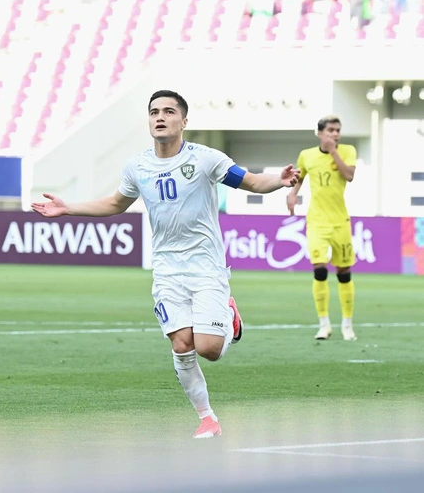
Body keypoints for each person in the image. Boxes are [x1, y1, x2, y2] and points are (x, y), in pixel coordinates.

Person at [32, 90, 300, 438]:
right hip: (167, 271)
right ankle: (207, 418)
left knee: (209, 350)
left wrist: (278, 181)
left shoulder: (206, 159)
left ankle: (229, 316)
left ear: (183, 121)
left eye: (169, 111)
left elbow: (250, 181)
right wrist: (68, 208)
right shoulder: (137, 166)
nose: (160, 116)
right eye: (154, 111)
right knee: (182, 346)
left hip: (206, 267)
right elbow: (116, 203)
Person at [286, 115, 357, 341]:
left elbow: (349, 175)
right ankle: (324, 324)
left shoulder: (347, 150)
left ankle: (347, 324)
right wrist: (292, 193)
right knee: (319, 268)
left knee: (344, 273)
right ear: (319, 133)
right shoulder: (306, 155)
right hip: (316, 221)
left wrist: (333, 151)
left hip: (341, 222)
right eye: (330, 130)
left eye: (337, 130)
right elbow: (299, 176)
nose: (335, 134)